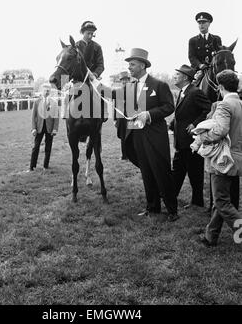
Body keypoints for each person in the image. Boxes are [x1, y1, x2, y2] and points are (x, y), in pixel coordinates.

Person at [91, 48, 178, 221]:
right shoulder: (129, 86)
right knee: (146, 171)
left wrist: (149, 114)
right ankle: (152, 207)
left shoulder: (159, 85)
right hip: (137, 136)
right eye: (129, 64)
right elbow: (111, 94)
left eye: (132, 64)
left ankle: (172, 210)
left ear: (142, 65)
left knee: (161, 172)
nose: (129, 67)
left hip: (155, 136)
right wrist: (94, 82)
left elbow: (169, 107)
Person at [197, 70, 242, 246]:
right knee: (221, 199)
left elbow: (220, 131)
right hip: (236, 158)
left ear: (220, 87)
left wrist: (201, 137)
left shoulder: (224, 105)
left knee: (222, 202)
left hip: (222, 160)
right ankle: (211, 236)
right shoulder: (240, 103)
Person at [170, 65, 211, 208]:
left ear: (185, 77)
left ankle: (197, 202)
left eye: (177, 74)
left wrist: (195, 124)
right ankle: (170, 198)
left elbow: (208, 108)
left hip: (192, 141)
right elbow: (181, 114)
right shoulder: (182, 92)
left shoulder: (195, 92)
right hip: (181, 141)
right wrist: (170, 125)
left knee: (195, 173)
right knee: (177, 171)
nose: (174, 76)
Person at [28, 83, 59, 171]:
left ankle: (45, 166)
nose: (47, 92)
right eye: (45, 90)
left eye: (48, 90)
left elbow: (56, 117)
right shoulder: (37, 102)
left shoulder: (54, 102)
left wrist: (55, 129)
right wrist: (33, 128)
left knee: (48, 148)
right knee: (36, 147)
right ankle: (32, 166)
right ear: (42, 91)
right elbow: (33, 116)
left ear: (50, 91)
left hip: (50, 128)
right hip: (39, 127)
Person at [188, 12, 222, 84]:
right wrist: (200, 65)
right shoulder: (193, 40)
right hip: (198, 70)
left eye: (203, 22)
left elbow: (219, 55)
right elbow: (191, 57)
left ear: (209, 24)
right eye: (199, 23)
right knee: (190, 87)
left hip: (213, 69)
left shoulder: (216, 39)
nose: (201, 25)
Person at [115, 71, 130, 160]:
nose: (124, 82)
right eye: (122, 80)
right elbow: (115, 106)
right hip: (121, 118)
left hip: (131, 118)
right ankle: (124, 155)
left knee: (131, 137)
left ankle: (132, 154)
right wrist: (114, 119)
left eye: (126, 80)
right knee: (123, 137)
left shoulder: (133, 90)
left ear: (129, 80)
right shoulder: (118, 91)